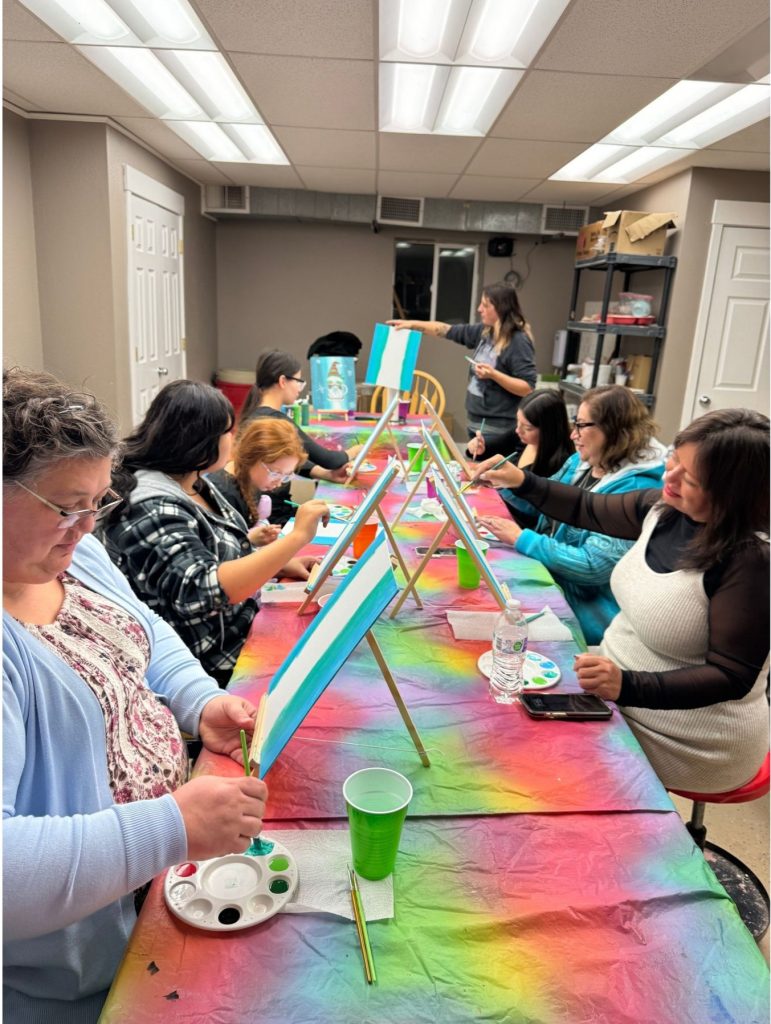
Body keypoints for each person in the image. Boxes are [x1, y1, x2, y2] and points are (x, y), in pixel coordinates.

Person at [3, 368, 269, 1023]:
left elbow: (141, 627)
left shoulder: (73, 551)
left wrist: (198, 700)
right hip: (76, 974)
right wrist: (170, 826)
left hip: (153, 885)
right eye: (67, 506)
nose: (87, 525)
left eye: (98, 503)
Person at [477, 407, 770, 793]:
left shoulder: (750, 562)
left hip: (688, 735)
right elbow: (585, 508)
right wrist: (522, 481)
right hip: (618, 684)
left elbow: (731, 676)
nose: (671, 477)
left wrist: (626, 685)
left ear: (733, 497)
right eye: (673, 460)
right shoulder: (663, 509)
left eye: (692, 478)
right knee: (496, 709)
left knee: (542, 767)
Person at [101, 380, 329, 686]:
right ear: (199, 441)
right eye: (228, 432)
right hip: (214, 667)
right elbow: (205, 592)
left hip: (241, 632)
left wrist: (280, 562)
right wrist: (296, 538)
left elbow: (220, 552)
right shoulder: (151, 507)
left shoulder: (193, 481)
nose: (233, 441)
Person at [478, 386, 666, 645]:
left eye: (581, 425)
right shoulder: (583, 461)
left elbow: (592, 566)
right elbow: (543, 504)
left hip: (586, 609)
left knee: (493, 625)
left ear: (612, 429)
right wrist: (505, 483)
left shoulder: (634, 488)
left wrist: (523, 539)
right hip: (554, 580)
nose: (573, 434)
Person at [388, 280, 537, 458]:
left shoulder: (518, 341)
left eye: (485, 305)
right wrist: (411, 324)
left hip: (498, 430)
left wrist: (493, 374)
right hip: (476, 422)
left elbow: (528, 387)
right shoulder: (484, 332)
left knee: (488, 479)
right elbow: (445, 330)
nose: (479, 309)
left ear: (500, 308)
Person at [239, 349, 363, 523]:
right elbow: (330, 460)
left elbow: (292, 460)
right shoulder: (274, 420)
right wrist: (358, 450)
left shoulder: (254, 414)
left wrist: (325, 474)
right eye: (298, 381)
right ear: (283, 381)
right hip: (272, 516)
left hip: (269, 511)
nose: (299, 388)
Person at [468, 388, 574, 528]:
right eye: (518, 422)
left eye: (527, 427)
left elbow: (536, 513)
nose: (518, 430)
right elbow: (490, 447)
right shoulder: (521, 436)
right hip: (501, 512)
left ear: (548, 430)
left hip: (520, 528)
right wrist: (478, 446)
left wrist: (502, 485)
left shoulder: (562, 463)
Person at [207, 416, 310, 549]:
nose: (278, 483)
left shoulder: (251, 481)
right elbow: (221, 555)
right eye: (275, 473)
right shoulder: (224, 494)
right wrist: (249, 540)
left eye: (286, 476)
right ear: (252, 458)